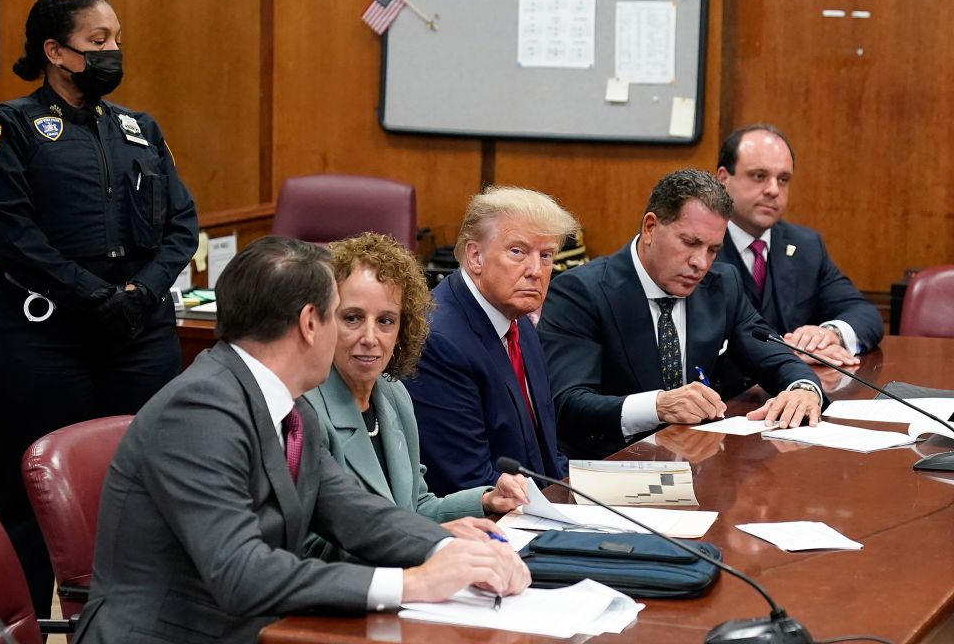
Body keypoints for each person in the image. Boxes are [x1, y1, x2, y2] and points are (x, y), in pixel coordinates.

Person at [73, 237, 529, 644]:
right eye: (341, 316)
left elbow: (355, 514)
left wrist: (454, 551)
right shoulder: (199, 411)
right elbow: (242, 572)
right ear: (311, 323)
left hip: (265, 627)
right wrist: (413, 584)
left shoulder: (289, 409)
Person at [0, 0, 197, 618]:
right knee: (29, 498)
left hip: (136, 335)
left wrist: (140, 293)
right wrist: (94, 295)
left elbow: (182, 223)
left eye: (116, 39)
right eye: (98, 42)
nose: (113, 51)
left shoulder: (138, 127)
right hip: (44, 341)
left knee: (138, 493)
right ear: (54, 51)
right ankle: (18, 630)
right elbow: (13, 236)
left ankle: (129, 627)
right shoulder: (11, 126)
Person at [538, 169, 821, 461]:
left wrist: (802, 389)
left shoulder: (722, 285)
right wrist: (658, 406)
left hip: (699, 467)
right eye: (689, 243)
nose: (701, 263)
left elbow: (773, 356)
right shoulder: (581, 292)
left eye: (713, 249)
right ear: (650, 228)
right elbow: (567, 405)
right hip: (611, 469)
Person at [301, 233, 531, 562]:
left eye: (385, 321)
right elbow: (309, 547)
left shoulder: (393, 395)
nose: (370, 337)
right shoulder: (305, 411)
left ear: (402, 329)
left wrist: (486, 499)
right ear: (322, 321)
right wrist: (432, 539)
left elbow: (415, 507)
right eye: (352, 318)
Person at [405, 186, 577, 494]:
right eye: (518, 251)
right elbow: (465, 480)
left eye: (546, 255)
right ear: (475, 257)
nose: (536, 271)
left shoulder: (519, 321)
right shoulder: (439, 340)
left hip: (539, 506)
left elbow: (545, 456)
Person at [713, 123, 882, 372]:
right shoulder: (696, 246)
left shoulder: (805, 246)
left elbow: (864, 313)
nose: (773, 190)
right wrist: (789, 352)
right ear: (723, 179)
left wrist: (827, 335)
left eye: (783, 180)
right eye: (759, 176)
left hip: (800, 392)